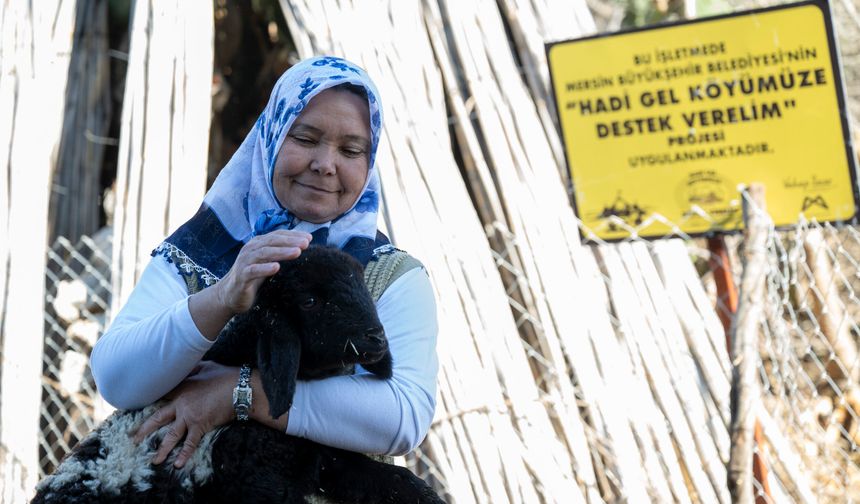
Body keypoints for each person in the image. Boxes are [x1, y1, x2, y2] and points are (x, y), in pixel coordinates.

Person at [90, 56, 439, 470]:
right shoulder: (204, 251)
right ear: (270, 136)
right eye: (305, 139)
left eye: (350, 149)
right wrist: (222, 297)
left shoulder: (391, 277)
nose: (326, 165)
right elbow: (115, 378)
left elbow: (404, 416)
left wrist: (240, 395)